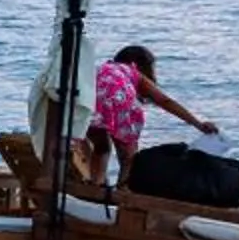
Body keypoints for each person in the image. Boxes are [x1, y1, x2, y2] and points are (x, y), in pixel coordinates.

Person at [76, 43, 218, 190]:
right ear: (140, 65)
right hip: (120, 101)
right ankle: (123, 191)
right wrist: (198, 124)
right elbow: (165, 101)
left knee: (101, 146)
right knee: (129, 158)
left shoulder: (104, 68)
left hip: (88, 104)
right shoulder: (134, 72)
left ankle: (95, 185)